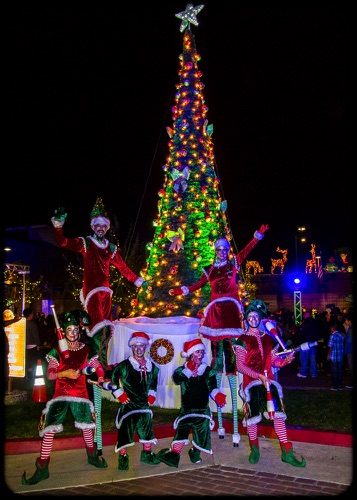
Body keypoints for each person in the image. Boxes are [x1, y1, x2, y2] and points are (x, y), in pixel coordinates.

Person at [51, 197, 147, 454]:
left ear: (107, 227)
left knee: (106, 329)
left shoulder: (111, 248)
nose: (102, 228)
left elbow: (123, 267)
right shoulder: (86, 243)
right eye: (98, 225)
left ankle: (100, 364)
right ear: (93, 226)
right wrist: (59, 226)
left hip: (107, 293)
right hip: (93, 292)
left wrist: (137, 280)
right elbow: (62, 242)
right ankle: (96, 363)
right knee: (97, 328)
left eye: (105, 225)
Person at [169, 224, 269, 445]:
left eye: (225, 249)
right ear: (215, 251)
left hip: (232, 316)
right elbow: (197, 285)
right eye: (219, 250)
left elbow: (245, 252)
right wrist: (182, 289)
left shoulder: (233, 264)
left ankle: (234, 420)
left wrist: (257, 237)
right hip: (215, 316)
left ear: (227, 251)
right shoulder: (210, 269)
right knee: (216, 362)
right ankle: (220, 418)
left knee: (232, 362)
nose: (222, 252)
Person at [22, 309, 108, 486]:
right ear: (64, 331)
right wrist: (65, 372)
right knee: (50, 428)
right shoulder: (56, 351)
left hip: (81, 395)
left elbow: (97, 365)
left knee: (86, 427)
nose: (73, 333)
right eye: (69, 330)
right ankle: (42, 467)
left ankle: (92, 456)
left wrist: (100, 377)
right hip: (60, 395)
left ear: (79, 330)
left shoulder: (86, 350)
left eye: (76, 329)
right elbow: (51, 374)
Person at [234, 299, 306, 467]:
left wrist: (285, 360)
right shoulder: (242, 340)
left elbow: (274, 361)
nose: (253, 319)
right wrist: (258, 376)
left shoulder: (268, 339)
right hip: (252, 384)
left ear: (260, 318)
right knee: (252, 418)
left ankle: (286, 452)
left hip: (269, 384)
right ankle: (254, 449)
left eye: (256, 316)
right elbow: (240, 365)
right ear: (246, 318)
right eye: (250, 316)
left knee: (278, 416)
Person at [157, 338, 227, 468]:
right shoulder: (181, 370)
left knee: (202, 433)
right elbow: (177, 379)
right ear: (190, 354)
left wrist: (218, 396)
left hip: (202, 410)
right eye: (197, 352)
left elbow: (212, 387)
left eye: (202, 352)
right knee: (181, 431)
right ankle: (174, 454)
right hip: (187, 410)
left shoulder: (207, 371)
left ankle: (195, 452)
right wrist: (188, 370)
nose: (200, 355)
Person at [111, 331, 161, 470]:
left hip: (144, 405)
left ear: (146, 347)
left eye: (142, 346)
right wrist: (119, 393)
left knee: (147, 429)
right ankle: (123, 455)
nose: (138, 349)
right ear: (132, 347)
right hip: (129, 405)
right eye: (135, 346)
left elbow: (153, 383)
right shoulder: (124, 365)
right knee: (126, 431)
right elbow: (113, 379)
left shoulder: (153, 367)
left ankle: (147, 453)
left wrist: (152, 394)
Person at [296, 310, 321, 379]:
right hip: (313, 343)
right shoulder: (315, 323)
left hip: (305, 343)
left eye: (304, 315)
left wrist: (300, 341)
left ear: (307, 316)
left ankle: (303, 373)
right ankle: (314, 373)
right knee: (313, 359)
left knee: (304, 358)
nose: (303, 316)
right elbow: (319, 332)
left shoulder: (305, 324)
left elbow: (301, 334)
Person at [23, 307, 41, 387]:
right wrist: (38, 344)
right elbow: (35, 335)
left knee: (27, 361)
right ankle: (31, 377)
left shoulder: (22, 323)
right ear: (30, 315)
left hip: (24, 345)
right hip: (32, 345)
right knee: (33, 362)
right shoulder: (32, 324)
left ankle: (26, 375)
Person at [327, 321, 345, 391]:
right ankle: (340, 385)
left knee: (334, 371)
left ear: (332, 329)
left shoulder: (332, 336)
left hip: (334, 356)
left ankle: (335, 386)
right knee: (340, 371)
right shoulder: (341, 335)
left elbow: (330, 346)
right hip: (340, 356)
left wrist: (328, 354)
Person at [344, 313, 353, 388]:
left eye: (346, 321)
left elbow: (349, 340)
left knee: (351, 366)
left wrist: (344, 337)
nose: (345, 322)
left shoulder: (350, 329)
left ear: (349, 321)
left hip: (350, 350)